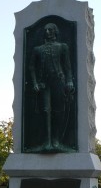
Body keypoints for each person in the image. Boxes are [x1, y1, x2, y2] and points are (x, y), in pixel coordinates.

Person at [29, 23, 74, 152]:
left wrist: (69, 81)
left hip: (59, 82)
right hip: (44, 84)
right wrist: (35, 83)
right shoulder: (38, 49)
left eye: (50, 29)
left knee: (58, 111)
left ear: (55, 31)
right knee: (45, 111)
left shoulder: (62, 47)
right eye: (46, 30)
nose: (47, 31)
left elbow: (67, 67)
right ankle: (46, 142)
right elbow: (31, 67)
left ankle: (56, 141)